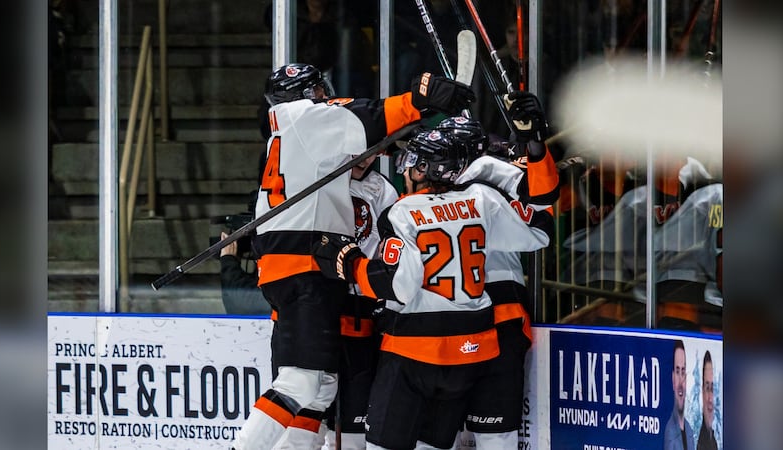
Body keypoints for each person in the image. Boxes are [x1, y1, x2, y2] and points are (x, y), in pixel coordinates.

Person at [231, 62, 475, 450]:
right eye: (318, 91)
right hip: (305, 263)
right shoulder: (303, 118)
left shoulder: (294, 133)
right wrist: (417, 101)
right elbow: (367, 115)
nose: (324, 97)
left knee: (321, 386)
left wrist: (418, 110)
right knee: (301, 381)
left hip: (304, 265)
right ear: (306, 96)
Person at [312, 128, 552, 450]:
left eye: (413, 163)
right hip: (470, 354)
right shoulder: (481, 200)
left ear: (425, 169)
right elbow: (539, 230)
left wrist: (350, 262)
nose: (407, 171)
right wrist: (510, 175)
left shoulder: (403, 211)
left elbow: (400, 285)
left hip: (415, 353)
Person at [445, 92, 559, 449]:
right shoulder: (487, 177)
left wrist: (533, 148)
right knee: (475, 433)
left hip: (486, 311)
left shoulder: (493, 178)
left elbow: (542, 215)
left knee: (476, 432)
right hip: (454, 315)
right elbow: (542, 223)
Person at [322, 153, 399, 449]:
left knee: (356, 402)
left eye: (370, 154)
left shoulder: (382, 189)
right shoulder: (322, 183)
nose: (364, 161)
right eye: (356, 154)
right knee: (317, 401)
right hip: (326, 303)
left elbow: (390, 245)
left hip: (365, 304)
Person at [664, 339, 695, 450]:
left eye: (683, 371)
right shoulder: (670, 432)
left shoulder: (690, 431)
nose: (681, 381)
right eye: (677, 372)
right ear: (673, 379)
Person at [696, 351, 717, 450]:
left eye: (713, 389)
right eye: (707, 388)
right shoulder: (699, 442)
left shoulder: (713, 439)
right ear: (702, 393)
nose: (710, 398)